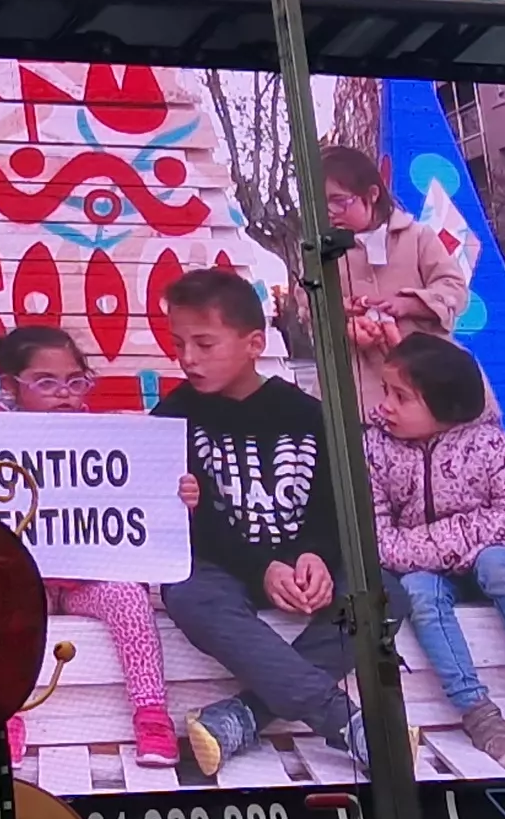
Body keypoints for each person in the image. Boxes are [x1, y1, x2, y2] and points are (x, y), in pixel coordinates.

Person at [154, 266, 363, 776]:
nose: (187, 358)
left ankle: (247, 714)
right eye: (180, 343)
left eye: (204, 343)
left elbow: (337, 507)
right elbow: (188, 530)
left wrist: (316, 555)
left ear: (254, 343)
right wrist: (261, 568)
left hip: (303, 568)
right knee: (186, 592)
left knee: (384, 593)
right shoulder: (171, 416)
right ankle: (346, 721)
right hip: (225, 569)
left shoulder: (311, 416)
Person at [368, 333, 505, 767]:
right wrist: (440, 549)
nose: (385, 405)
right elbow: (377, 538)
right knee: (418, 591)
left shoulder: (494, 447)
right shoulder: (374, 447)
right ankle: (476, 711)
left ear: (447, 408)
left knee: (498, 563)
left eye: (402, 397)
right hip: (426, 570)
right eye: (385, 391)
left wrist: (433, 543)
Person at [0, 324, 173, 766]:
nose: (64, 394)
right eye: (46, 383)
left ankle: (152, 714)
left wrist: (176, 492)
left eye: (75, 380)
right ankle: (2, 715)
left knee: (129, 597)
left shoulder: (103, 436)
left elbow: (144, 493)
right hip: (23, 583)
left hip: (85, 580)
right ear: (10, 385)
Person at [276, 144, 471, 356]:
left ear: (372, 194)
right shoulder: (323, 250)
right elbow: (307, 299)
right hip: (355, 376)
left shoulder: (416, 237)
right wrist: (340, 310)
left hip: (425, 370)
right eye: (322, 205)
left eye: (339, 201)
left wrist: (410, 304)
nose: (330, 213)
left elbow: (454, 288)